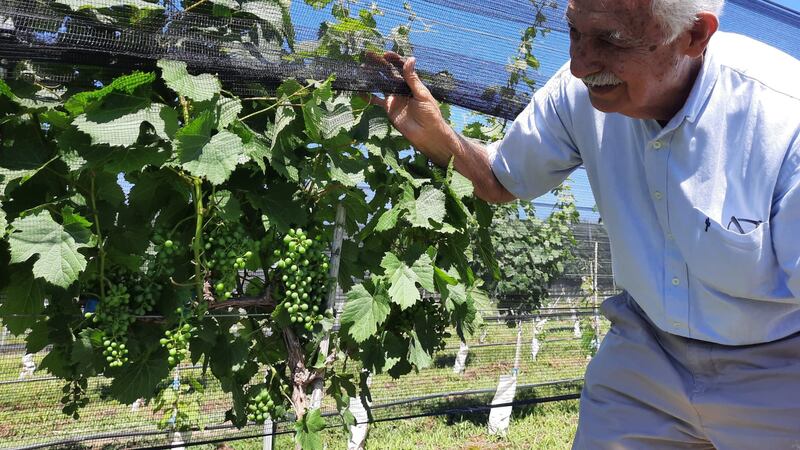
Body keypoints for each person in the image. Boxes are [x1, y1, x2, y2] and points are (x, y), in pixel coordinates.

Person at [368, 0, 800, 448]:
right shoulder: (575, 96)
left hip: (779, 369)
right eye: (575, 32)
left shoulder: (783, 118)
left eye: (611, 40)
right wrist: (442, 138)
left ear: (693, 36)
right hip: (646, 353)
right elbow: (500, 178)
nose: (579, 65)